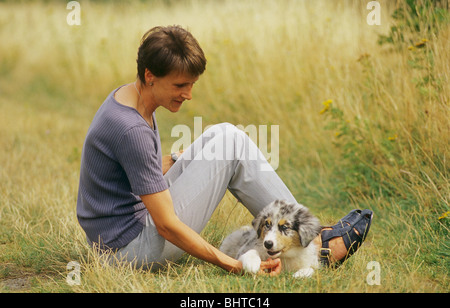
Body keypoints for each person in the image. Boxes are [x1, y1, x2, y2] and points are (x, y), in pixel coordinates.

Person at [76, 25, 372, 275]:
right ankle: (318, 245)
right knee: (229, 143)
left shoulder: (129, 97)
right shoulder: (131, 129)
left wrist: (190, 159)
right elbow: (166, 226)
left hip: (119, 236)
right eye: (181, 85)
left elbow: (143, 169)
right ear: (150, 75)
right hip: (130, 250)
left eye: (192, 84)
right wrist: (232, 264)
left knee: (224, 134)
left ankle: (304, 233)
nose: (189, 94)